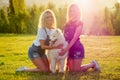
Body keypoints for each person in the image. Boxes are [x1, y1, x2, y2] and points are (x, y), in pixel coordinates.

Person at [59, 4, 100, 72]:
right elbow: (63, 37)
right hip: (69, 48)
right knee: (71, 71)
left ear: (78, 12)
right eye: (70, 11)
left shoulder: (79, 23)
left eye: (74, 11)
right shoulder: (67, 23)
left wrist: (66, 49)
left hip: (76, 48)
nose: (72, 13)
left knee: (76, 71)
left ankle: (93, 64)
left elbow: (75, 38)